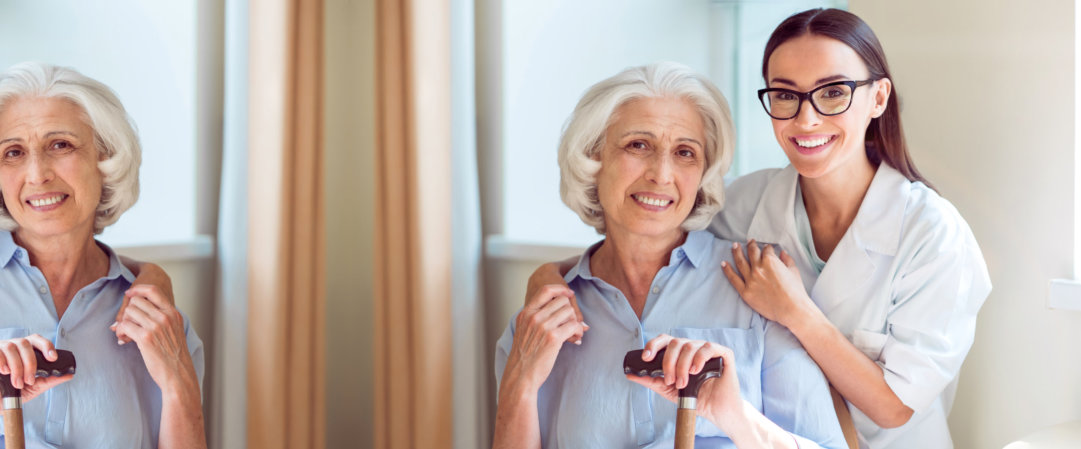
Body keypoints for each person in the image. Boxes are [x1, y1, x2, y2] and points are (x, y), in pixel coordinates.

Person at [526, 9, 991, 449]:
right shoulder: (747, 202)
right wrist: (551, 275)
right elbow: (647, 230)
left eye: (833, 92)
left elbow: (894, 407)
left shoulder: (932, 235)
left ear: (878, 98)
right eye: (786, 94)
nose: (806, 118)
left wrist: (796, 313)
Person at [494, 62, 846, 449]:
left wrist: (734, 416)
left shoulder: (760, 290)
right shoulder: (539, 325)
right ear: (594, 159)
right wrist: (519, 386)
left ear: (702, 175)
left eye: (684, 152)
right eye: (638, 145)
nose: (661, 174)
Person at [0, 62, 205, 448]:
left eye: (60, 145)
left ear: (106, 159)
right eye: (13, 152)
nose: (37, 173)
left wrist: (179, 385)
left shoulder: (158, 322)